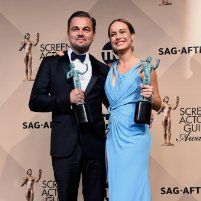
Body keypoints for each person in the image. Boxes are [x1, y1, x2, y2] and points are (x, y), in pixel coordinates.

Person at [29, 11, 109, 201]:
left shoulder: (103, 69)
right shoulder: (51, 63)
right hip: (64, 146)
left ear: (93, 35)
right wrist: (66, 98)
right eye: (76, 28)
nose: (80, 33)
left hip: (95, 147)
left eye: (86, 29)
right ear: (68, 33)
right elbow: (35, 101)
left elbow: (114, 104)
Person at [105, 19, 162, 201]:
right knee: (117, 188)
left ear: (132, 36)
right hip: (113, 138)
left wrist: (151, 97)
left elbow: (159, 104)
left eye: (122, 32)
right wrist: (63, 56)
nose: (118, 37)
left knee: (133, 186)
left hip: (135, 136)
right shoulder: (107, 69)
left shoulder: (145, 68)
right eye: (113, 34)